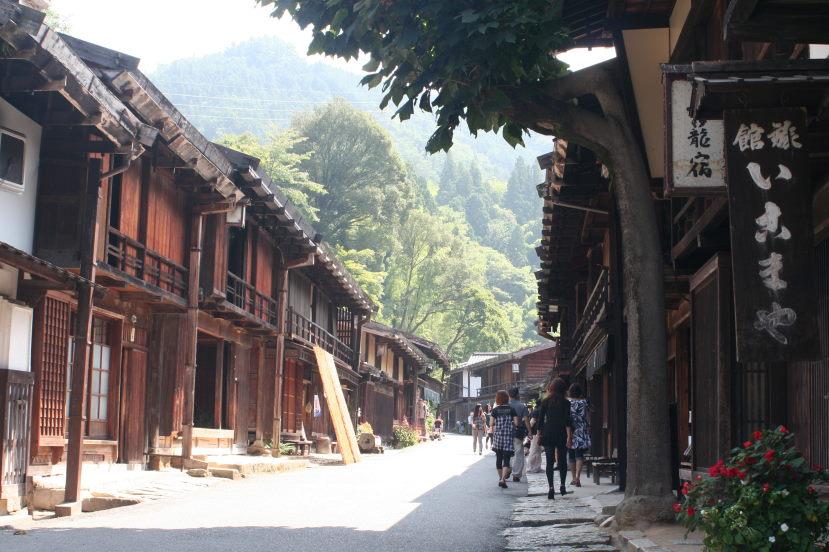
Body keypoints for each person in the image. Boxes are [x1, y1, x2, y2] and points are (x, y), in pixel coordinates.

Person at [537, 378, 573, 499]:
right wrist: (569, 437)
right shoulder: (566, 403)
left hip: (548, 432)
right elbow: (568, 421)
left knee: (549, 462)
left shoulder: (545, 401)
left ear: (551, 388)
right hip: (561, 433)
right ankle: (562, 485)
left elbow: (540, 421)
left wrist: (539, 435)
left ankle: (551, 488)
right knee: (562, 461)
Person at [490, 390, 518, 488]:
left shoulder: (495, 410)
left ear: (497, 399)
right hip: (508, 436)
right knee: (506, 458)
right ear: (507, 398)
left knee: (499, 458)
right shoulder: (511, 409)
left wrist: (497, 424)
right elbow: (516, 423)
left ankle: (500, 478)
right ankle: (503, 479)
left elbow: (491, 423)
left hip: (498, 437)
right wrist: (511, 424)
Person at [567, 383, 591, 487]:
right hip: (581, 429)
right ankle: (578, 477)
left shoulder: (568, 402)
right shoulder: (584, 402)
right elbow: (589, 415)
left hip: (570, 430)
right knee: (579, 455)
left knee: (571, 455)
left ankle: (573, 478)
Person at [508, 388, 531, 482]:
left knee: (506, 452)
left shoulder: (505, 405)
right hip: (518, 432)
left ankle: (507, 469)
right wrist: (529, 431)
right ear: (517, 395)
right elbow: (526, 420)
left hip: (505, 432)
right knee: (518, 453)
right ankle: (516, 474)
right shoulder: (522, 406)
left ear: (509, 395)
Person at [526, 403, 543, 473]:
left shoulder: (536, 411)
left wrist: (528, 431)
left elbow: (532, 422)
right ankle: (532, 467)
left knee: (535, 450)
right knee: (535, 451)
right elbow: (532, 422)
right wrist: (529, 431)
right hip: (536, 433)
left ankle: (535, 467)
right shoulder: (538, 411)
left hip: (536, 433)